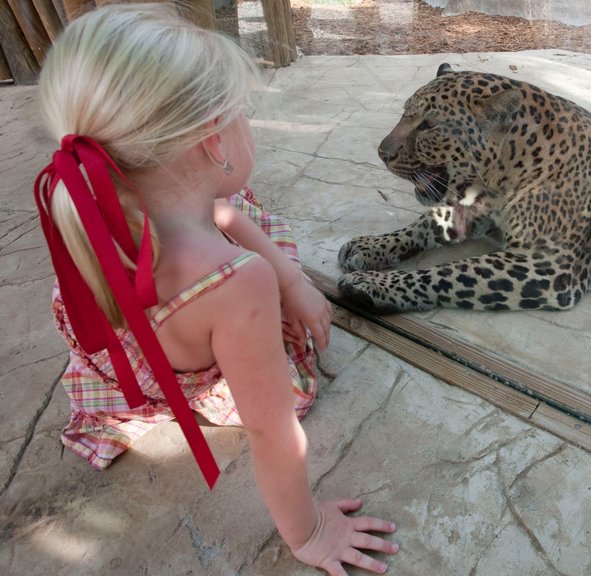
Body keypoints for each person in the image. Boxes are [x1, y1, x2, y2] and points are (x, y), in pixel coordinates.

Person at [34, 4, 398, 574]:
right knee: (294, 387)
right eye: (241, 114)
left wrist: (292, 278)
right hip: (192, 365)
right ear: (212, 138)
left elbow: (221, 210)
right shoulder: (235, 282)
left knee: (238, 210)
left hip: (119, 369)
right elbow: (271, 430)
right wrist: (309, 531)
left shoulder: (91, 199)